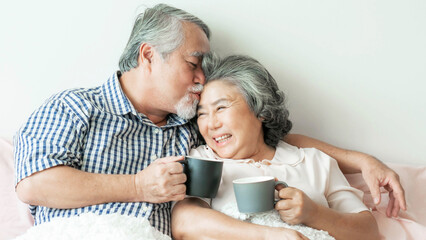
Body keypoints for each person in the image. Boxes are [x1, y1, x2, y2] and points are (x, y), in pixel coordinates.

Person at [14, 4, 404, 237]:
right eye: (193, 63)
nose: (201, 79)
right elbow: (34, 185)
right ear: (148, 56)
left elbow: (267, 140)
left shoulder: (189, 128)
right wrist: (138, 185)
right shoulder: (76, 107)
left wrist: (361, 160)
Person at [172, 54, 380, 240]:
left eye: (221, 108)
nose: (211, 124)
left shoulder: (315, 162)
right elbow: (185, 223)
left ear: (261, 110)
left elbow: (368, 232)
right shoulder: (204, 162)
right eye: (202, 114)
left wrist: (315, 214)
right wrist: (269, 236)